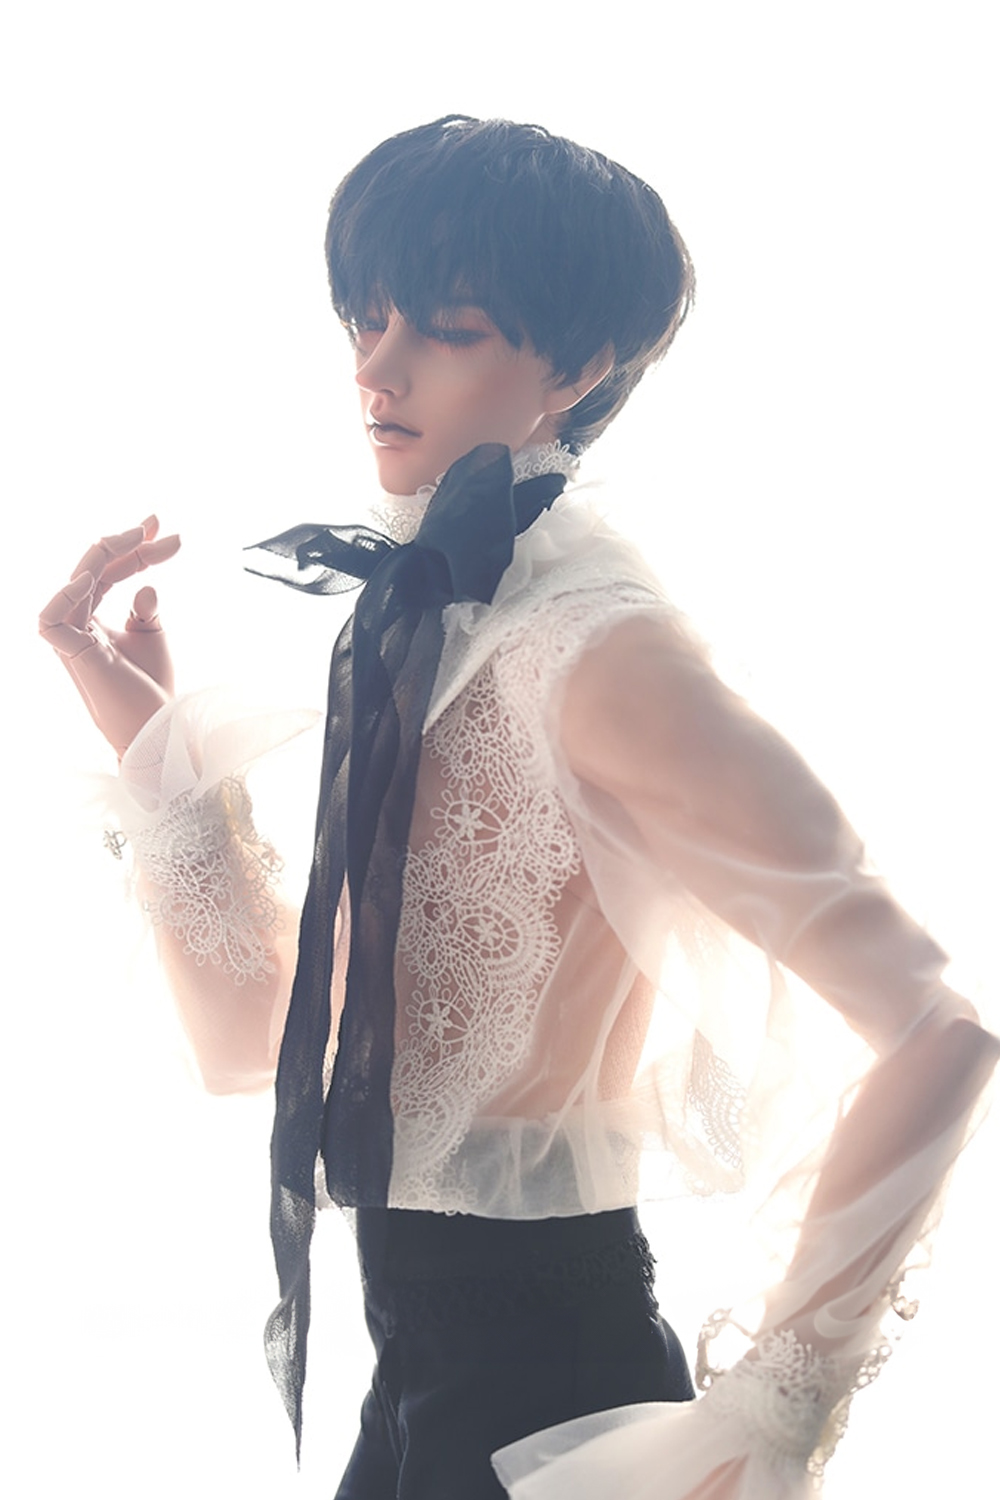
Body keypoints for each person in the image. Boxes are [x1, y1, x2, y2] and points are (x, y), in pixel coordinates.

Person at [39, 116, 998, 1500]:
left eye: (448, 328)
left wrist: (768, 1420)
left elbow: (939, 1028)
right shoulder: (421, 631)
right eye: (366, 318)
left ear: (579, 367)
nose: (377, 367)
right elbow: (259, 1041)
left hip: (561, 1404)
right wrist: (153, 748)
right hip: (410, 1397)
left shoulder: (600, 654)